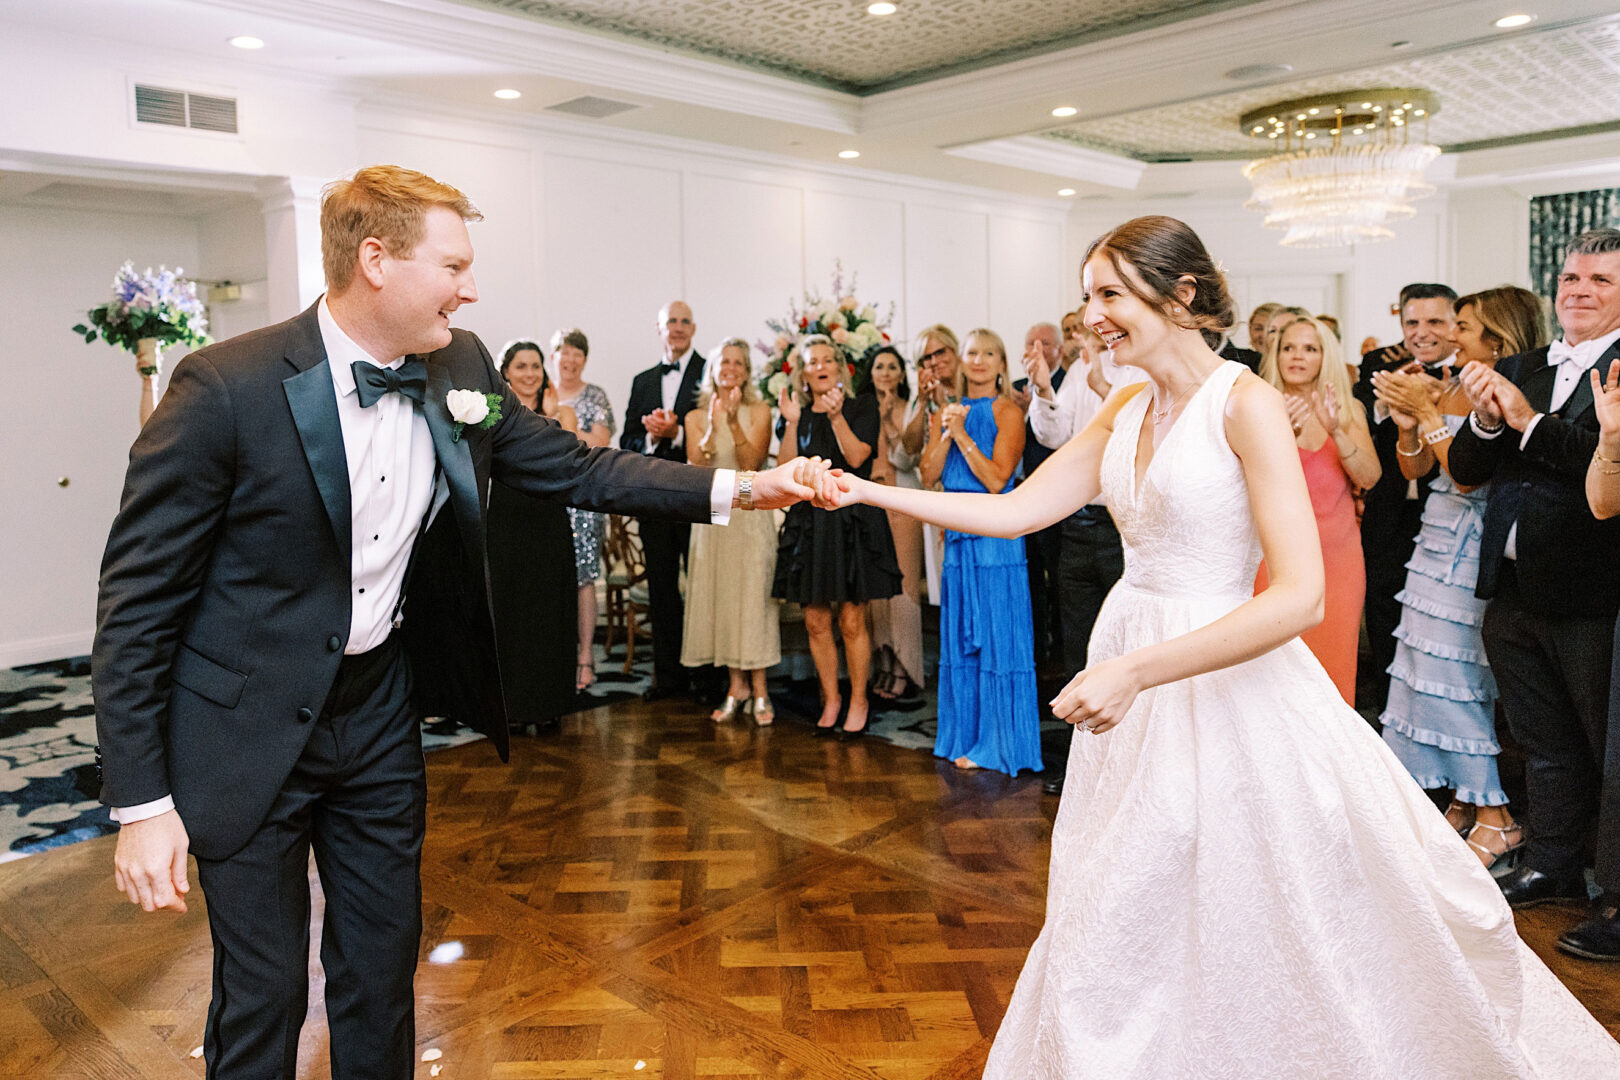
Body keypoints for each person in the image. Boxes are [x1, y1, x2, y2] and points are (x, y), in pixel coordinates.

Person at [816, 213, 1620, 1075]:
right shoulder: (1125, 403)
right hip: (1131, 654)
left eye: (1111, 294)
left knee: (1245, 895)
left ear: (1183, 294)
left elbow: (1302, 595)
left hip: (1221, 673)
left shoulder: (1246, 403)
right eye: (1088, 296)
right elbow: (1017, 509)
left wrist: (1134, 670)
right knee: (1123, 896)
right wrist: (864, 493)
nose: (1093, 315)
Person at [91, 164, 830, 1080]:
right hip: (242, 727)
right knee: (264, 991)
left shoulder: (464, 366)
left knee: (379, 971)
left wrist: (747, 486)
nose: (471, 287)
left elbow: (580, 471)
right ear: (376, 261)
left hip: (375, 718)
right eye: (453, 265)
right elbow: (136, 604)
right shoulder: (223, 389)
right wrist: (142, 803)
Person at [1450, 227, 1620, 961]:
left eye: (1600, 281)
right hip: (1513, 586)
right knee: (1543, 739)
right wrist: (1489, 418)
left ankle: (1610, 890)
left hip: (1592, 588)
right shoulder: (1521, 364)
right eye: (1571, 278)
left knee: (1604, 748)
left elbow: (1604, 467)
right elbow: (1465, 468)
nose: (1578, 290)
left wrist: (1528, 421)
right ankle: (1550, 861)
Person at [1372, 286, 1548, 870]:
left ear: (1494, 338)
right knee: (1421, 670)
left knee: (1458, 678)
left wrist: (1425, 412)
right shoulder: (1450, 383)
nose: (1449, 335)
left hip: (1473, 545)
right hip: (1434, 536)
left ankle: (1495, 812)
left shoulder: (1502, 389)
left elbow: (1469, 478)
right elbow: (1417, 469)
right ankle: (1462, 799)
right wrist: (1406, 424)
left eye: (1461, 326)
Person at [1025, 320, 1145, 795]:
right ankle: (1084, 764)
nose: (1092, 343)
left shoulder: (1139, 370)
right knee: (1080, 643)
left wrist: (1103, 387)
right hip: (1077, 525)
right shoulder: (1079, 369)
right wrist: (1043, 391)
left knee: (1123, 642)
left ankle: (1128, 762)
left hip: (1121, 527)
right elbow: (1057, 438)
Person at [922, 328, 1042, 775]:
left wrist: (963, 434)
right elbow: (930, 473)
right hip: (957, 539)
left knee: (997, 640)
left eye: (988, 353)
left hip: (995, 539)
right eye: (972, 352)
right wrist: (947, 430)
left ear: (1000, 363)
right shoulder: (944, 413)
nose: (978, 360)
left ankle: (1001, 743)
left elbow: (996, 480)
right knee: (961, 644)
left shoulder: (1007, 410)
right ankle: (963, 734)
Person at [774, 335, 902, 737]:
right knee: (814, 620)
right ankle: (830, 698)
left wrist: (834, 417)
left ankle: (859, 698)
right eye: (814, 361)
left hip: (851, 520)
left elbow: (860, 457)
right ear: (804, 373)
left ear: (841, 368)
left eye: (829, 359)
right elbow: (782, 467)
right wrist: (794, 421)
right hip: (811, 523)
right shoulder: (797, 412)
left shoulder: (861, 405)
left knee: (850, 619)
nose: (822, 365)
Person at [1256, 314, 1380, 704]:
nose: (1297, 356)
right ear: (1274, 353)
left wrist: (1336, 431)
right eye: (1288, 347)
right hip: (1271, 561)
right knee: (1271, 672)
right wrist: (1282, 436)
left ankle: (1329, 765)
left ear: (1325, 356)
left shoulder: (1347, 409)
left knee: (1333, 668)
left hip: (1338, 563)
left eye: (1310, 348)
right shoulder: (1256, 406)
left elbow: (1370, 476)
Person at [1354, 283, 1457, 710]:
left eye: (1434, 321)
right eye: (1412, 322)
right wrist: (1384, 404)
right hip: (1389, 510)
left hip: (1450, 514)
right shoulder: (1380, 364)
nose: (1421, 332)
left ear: (1455, 324)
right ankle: (1387, 710)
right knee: (1382, 603)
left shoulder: (1471, 372)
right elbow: (1361, 416)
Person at [681, 337, 780, 725]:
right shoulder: (693, 416)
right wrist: (710, 426)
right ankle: (735, 686)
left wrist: (734, 420)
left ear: (747, 370)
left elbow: (752, 462)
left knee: (753, 600)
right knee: (722, 598)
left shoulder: (761, 411)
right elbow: (694, 464)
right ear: (713, 369)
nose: (731, 368)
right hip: (714, 515)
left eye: (739, 362)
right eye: (725, 361)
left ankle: (761, 691)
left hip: (751, 515)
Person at [485, 340, 580, 728]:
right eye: (521, 366)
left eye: (536, 366)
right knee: (510, 614)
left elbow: (569, 462)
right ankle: (512, 707)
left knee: (549, 614)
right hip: (506, 523)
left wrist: (551, 416)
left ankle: (549, 705)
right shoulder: (491, 415)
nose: (529, 374)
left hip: (548, 522)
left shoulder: (564, 413)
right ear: (505, 372)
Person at [620, 301, 707, 701]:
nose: (677, 327)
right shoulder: (642, 380)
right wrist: (654, 438)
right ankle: (668, 677)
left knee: (704, 584)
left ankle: (708, 675)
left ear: (694, 328)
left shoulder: (710, 371)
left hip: (699, 496)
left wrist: (678, 435)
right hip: (655, 498)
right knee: (662, 589)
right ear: (659, 328)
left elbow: (717, 435)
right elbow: (627, 442)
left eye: (684, 321)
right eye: (670, 321)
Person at [550, 327, 616, 691]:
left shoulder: (595, 396)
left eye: (578, 353)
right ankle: (554, 653)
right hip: (545, 494)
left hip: (582, 497)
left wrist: (558, 432)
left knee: (584, 577)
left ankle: (586, 655)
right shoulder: (540, 391)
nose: (571, 359)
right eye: (564, 352)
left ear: (584, 360)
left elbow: (600, 444)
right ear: (553, 356)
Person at [866, 344, 926, 701]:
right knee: (878, 591)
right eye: (879, 366)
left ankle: (906, 668)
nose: (886, 372)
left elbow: (907, 459)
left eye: (892, 366)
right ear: (870, 374)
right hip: (873, 500)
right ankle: (886, 663)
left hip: (905, 499)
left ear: (902, 375)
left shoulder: (912, 408)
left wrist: (889, 420)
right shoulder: (860, 410)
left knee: (903, 589)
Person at [1017, 321, 1068, 673]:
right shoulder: (1018, 389)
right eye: (1031, 342)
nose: (1038, 349)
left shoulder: (1071, 382)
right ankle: (1036, 657)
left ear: (1060, 350)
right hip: (1025, 495)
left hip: (1064, 497)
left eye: (1046, 343)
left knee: (1060, 583)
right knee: (1031, 581)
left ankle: (1061, 658)